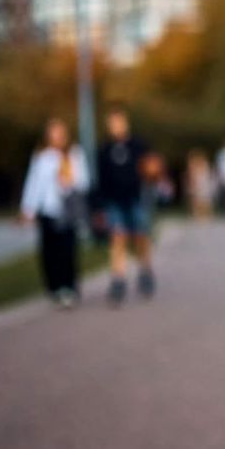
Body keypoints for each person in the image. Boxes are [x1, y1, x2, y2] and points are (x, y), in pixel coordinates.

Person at [19, 118, 89, 309]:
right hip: (48, 211)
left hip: (67, 211)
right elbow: (33, 184)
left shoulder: (74, 155)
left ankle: (69, 286)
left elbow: (83, 182)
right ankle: (54, 287)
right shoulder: (42, 157)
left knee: (67, 251)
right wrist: (28, 208)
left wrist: (69, 181)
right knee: (49, 252)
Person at [96, 105, 154, 306]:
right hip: (114, 201)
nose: (116, 126)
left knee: (140, 237)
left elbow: (150, 168)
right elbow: (101, 180)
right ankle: (118, 279)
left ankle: (145, 271)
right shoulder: (104, 150)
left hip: (136, 198)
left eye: (119, 121)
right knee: (118, 238)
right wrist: (99, 206)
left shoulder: (138, 145)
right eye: (112, 123)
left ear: (125, 122)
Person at [184, 149, 217, 220]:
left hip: (203, 184)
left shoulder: (203, 165)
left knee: (204, 200)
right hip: (199, 185)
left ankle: (204, 215)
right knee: (198, 200)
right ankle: (199, 216)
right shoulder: (194, 165)